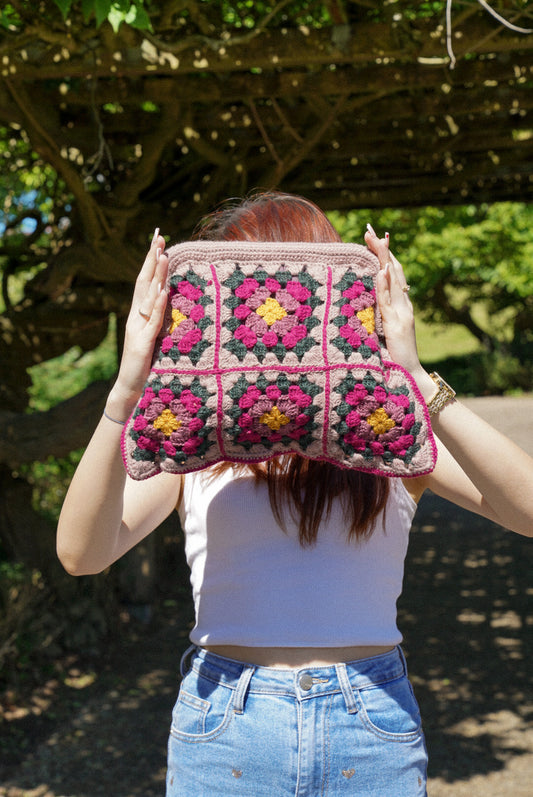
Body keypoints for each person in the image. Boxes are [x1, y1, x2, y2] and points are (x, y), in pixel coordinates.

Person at [57, 192, 533, 797]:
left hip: (368, 723)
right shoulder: (193, 448)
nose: (267, 313)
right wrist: (127, 390)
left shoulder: (387, 439)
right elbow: (81, 553)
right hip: (226, 723)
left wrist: (413, 376)